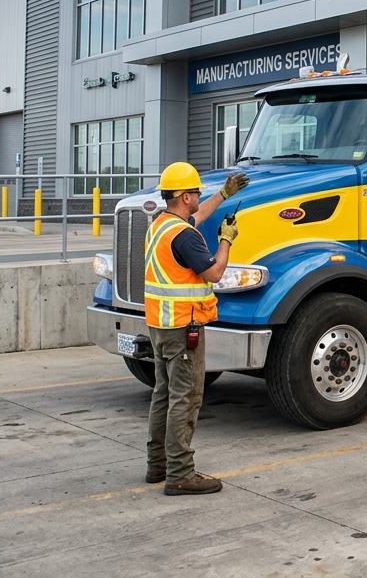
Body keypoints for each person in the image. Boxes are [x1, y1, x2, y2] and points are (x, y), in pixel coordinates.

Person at [144, 162, 248, 495]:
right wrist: (226, 240)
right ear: (185, 196)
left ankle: (157, 465)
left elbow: (197, 217)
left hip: (160, 325)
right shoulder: (186, 237)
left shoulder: (162, 224)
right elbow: (215, 273)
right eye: (197, 193)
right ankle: (180, 474)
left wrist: (223, 194)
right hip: (182, 327)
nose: (199, 197)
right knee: (185, 399)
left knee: (164, 395)